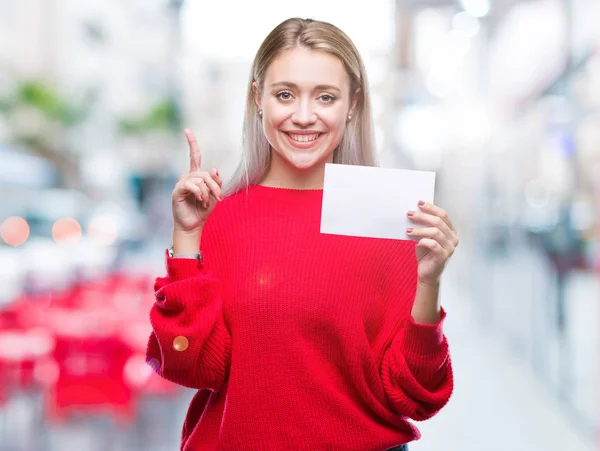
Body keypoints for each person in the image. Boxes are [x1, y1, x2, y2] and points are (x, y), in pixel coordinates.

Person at [146, 17, 459, 451]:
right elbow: (190, 366)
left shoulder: (390, 216)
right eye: (285, 94)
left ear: (352, 104)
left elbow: (416, 394)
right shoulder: (219, 216)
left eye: (326, 97)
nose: (304, 116)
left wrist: (430, 282)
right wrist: (186, 239)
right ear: (258, 98)